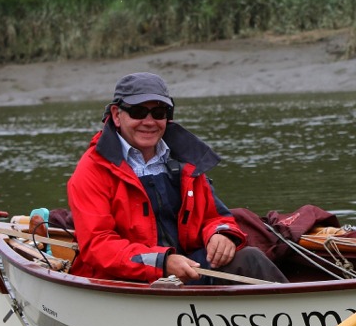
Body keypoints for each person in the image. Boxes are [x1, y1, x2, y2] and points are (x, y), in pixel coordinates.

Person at [67, 72, 288, 284]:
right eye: (138, 112)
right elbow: (98, 246)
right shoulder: (91, 171)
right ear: (116, 115)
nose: (149, 121)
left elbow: (215, 216)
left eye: (159, 112)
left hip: (187, 272)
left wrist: (221, 235)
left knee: (250, 257)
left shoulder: (186, 161)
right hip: (123, 283)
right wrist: (163, 262)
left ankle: (296, 311)